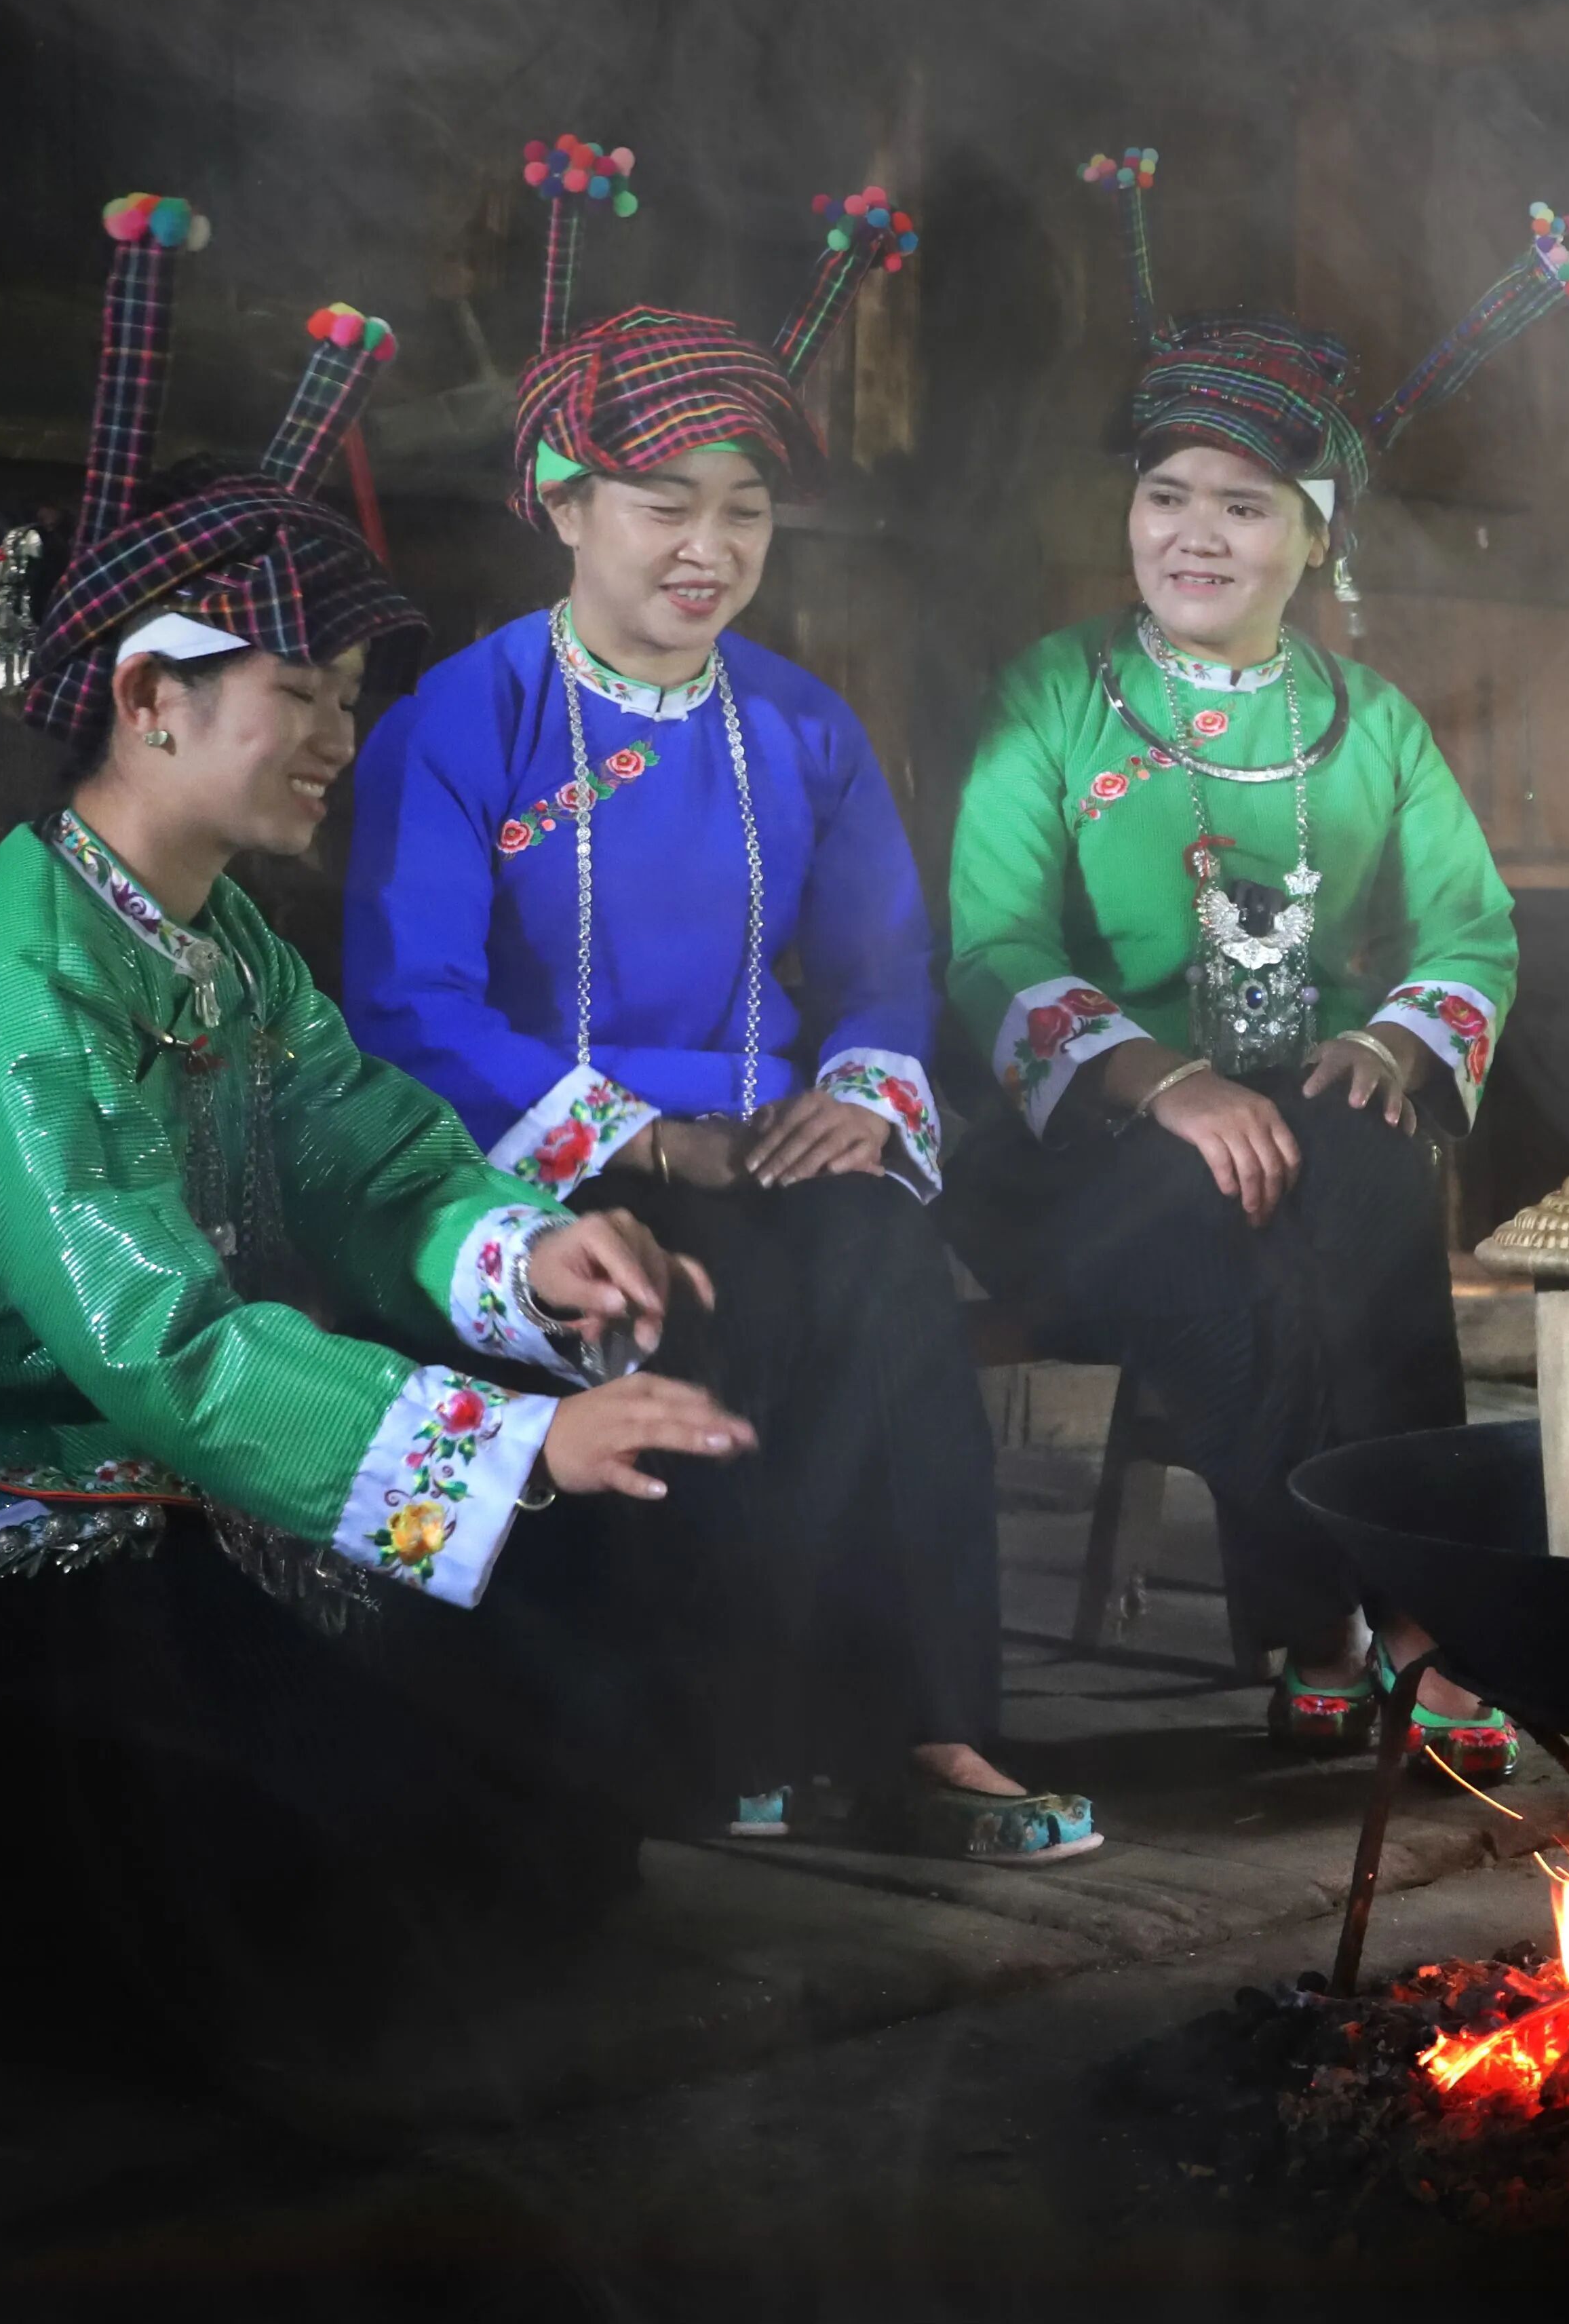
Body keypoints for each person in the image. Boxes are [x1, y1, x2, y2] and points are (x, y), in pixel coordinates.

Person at [0, 195, 754, 2066]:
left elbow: (373, 1163)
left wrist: (533, 1260)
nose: (340, 736)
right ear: (149, 699)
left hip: (141, 1502)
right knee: (302, 1874)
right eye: (299, 695)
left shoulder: (226, 944)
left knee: (496, 1767)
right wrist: (521, 1445)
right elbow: (160, 1346)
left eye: (349, 698)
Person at [345, 140, 1091, 1865]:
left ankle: (927, 1730)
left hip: (767, 1134)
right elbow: (410, 1005)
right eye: (662, 502)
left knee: (880, 1264)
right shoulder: (458, 725)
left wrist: (860, 1093)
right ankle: (721, 1736)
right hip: (550, 1161)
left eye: (743, 507)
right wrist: (644, 1142)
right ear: (565, 504)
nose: (709, 546)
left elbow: (884, 963)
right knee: (681, 1293)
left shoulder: (803, 724)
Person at [940, 147, 1569, 1775]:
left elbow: (1470, 927)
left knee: (1365, 1160)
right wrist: (1163, 1081)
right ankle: (1336, 1629)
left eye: (1244, 507)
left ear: (1315, 540)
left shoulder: (1370, 722)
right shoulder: (1055, 693)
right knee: (1210, 1217)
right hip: (1071, 1155)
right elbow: (993, 940)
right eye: (1167, 495)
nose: (1195, 535)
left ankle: (1410, 1615)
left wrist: (1388, 1043)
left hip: (1297, 1133)